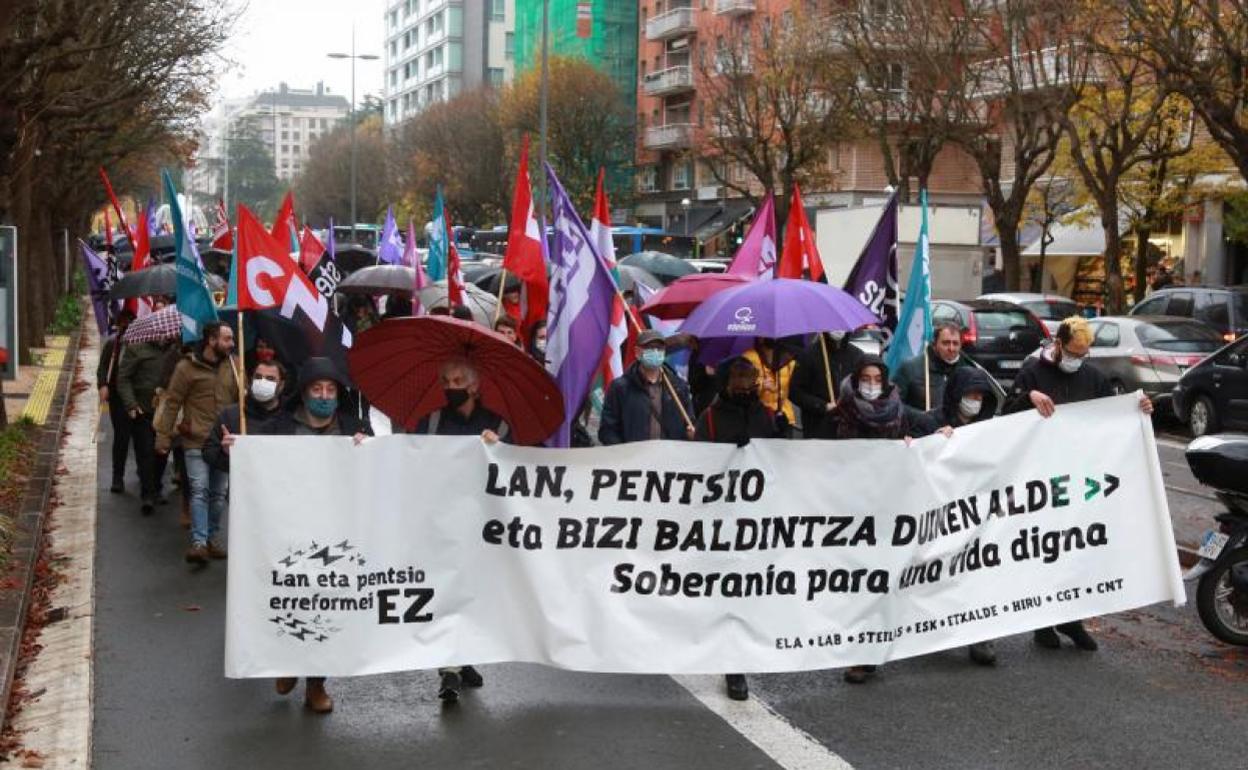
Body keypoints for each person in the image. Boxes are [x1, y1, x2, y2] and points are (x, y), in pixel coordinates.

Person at [1004, 316, 1153, 653]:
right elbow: (1005, 417)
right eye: (1072, 352)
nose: (1077, 360)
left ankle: (1071, 618)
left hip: (1080, 477)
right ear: (1058, 345)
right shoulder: (1032, 371)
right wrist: (1028, 396)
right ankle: (1043, 621)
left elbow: (1112, 416)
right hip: (1042, 478)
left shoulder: (1093, 377)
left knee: (1077, 549)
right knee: (1047, 548)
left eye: (1083, 354)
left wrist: (1139, 409)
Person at [821, 355, 945, 684]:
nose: (872, 384)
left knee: (886, 580)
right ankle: (861, 653)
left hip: (890, 507)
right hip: (856, 509)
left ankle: (874, 647)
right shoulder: (843, 410)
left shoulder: (897, 408)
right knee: (861, 581)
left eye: (877, 378)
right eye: (866, 378)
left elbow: (924, 425)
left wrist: (941, 432)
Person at [259, 356, 371, 715]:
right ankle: (288, 662)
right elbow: (232, 461)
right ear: (303, 393)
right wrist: (234, 450)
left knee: (326, 607)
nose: (324, 395)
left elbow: (380, 473)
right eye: (316, 389)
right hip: (288, 532)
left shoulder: (355, 428)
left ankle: (316, 684)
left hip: (336, 535)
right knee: (291, 601)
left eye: (330, 389)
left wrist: (367, 450)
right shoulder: (278, 429)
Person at [412, 357, 507, 702]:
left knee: (473, 594)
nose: (451, 387)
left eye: (457, 381)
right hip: (441, 519)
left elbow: (521, 462)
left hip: (482, 522)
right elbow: (409, 458)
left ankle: (463, 659)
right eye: (446, 381)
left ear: (474, 386)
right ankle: (448, 670)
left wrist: (499, 447)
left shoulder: (497, 423)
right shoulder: (433, 421)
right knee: (447, 590)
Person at [694, 357, 779, 701]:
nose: (746, 384)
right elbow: (696, 469)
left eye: (751, 377)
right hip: (723, 519)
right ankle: (733, 667)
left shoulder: (767, 415)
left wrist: (781, 432)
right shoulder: (711, 418)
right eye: (740, 378)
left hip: (758, 519)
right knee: (730, 592)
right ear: (728, 382)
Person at [926, 366, 1001, 666]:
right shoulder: (932, 421)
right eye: (969, 394)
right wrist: (932, 441)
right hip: (940, 515)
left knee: (976, 574)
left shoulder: (990, 428)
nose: (975, 400)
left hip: (977, 515)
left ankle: (979, 636)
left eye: (980, 395)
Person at [154, 322, 239, 565]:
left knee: (218, 494)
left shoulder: (235, 365)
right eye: (227, 339)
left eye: (232, 339)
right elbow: (172, 403)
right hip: (195, 441)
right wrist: (163, 436)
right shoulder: (186, 368)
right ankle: (199, 542)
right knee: (199, 491)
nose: (231, 344)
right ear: (211, 341)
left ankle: (212, 536)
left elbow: (242, 403)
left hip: (224, 443)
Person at [117, 334, 181, 514]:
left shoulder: (176, 351)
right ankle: (147, 494)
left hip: (165, 412)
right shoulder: (136, 349)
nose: (165, 336)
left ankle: (156, 487)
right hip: (143, 411)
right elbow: (123, 378)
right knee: (145, 453)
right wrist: (131, 404)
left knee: (162, 452)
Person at [599, 330, 695, 445]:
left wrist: (691, 434)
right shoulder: (620, 388)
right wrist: (622, 453)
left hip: (669, 459)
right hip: (633, 459)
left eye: (659, 348)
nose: (655, 352)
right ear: (637, 352)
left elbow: (689, 423)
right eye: (649, 348)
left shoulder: (679, 387)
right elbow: (607, 430)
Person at [202, 359, 288, 474]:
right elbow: (208, 452)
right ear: (251, 380)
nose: (262, 382)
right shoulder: (231, 415)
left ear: (281, 385)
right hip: (244, 487)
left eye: (270, 379)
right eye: (258, 377)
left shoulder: (290, 417)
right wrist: (227, 454)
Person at [790, 331, 865, 439]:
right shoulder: (808, 355)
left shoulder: (857, 355)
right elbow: (795, 392)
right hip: (817, 428)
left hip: (849, 427)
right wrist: (821, 406)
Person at [892, 321, 974, 411]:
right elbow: (894, 405)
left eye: (955, 343)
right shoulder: (910, 368)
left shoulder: (969, 370)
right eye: (946, 343)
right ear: (935, 344)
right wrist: (921, 418)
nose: (951, 348)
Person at [97, 309, 136, 493]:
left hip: (138, 397)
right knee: (121, 436)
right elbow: (102, 368)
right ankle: (117, 477)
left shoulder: (142, 344)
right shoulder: (113, 345)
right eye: (124, 322)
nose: (127, 326)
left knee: (142, 439)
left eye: (130, 321)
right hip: (117, 397)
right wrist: (103, 385)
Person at [741, 338, 796, 433]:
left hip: (784, 417)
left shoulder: (789, 359)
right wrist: (762, 386)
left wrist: (776, 390)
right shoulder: (748, 357)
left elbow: (794, 392)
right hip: (757, 418)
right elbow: (742, 388)